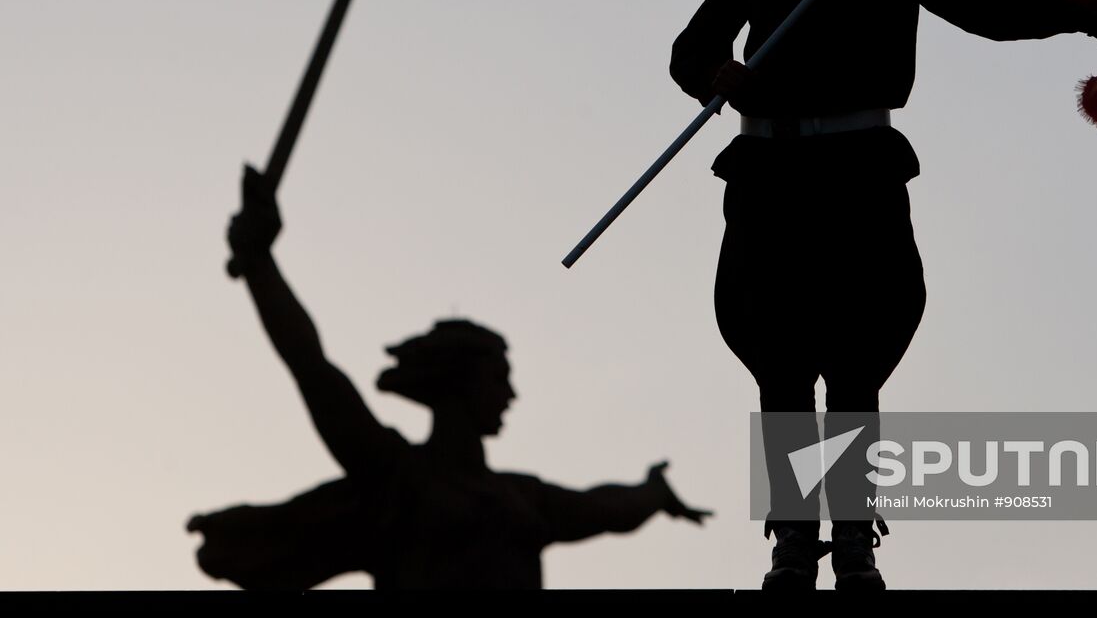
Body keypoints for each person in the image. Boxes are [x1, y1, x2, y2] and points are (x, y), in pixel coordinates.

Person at [669, 0, 1097, 591]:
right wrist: (714, 75)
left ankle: (855, 543)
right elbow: (690, 48)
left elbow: (986, 7)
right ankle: (793, 542)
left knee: (853, 360)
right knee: (779, 364)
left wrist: (1077, 5)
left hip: (857, 173)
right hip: (768, 176)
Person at [187, 166, 710, 590]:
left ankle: (794, 525)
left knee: (786, 415)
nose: (510, 394)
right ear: (457, 382)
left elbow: (606, 507)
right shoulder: (396, 476)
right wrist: (259, 265)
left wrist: (653, 493)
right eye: (497, 378)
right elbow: (312, 366)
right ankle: (795, 520)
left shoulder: (521, 496)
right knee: (785, 408)